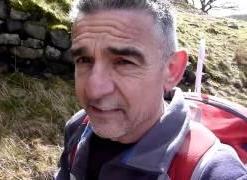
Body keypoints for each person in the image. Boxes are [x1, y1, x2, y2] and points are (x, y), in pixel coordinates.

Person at [55, 0, 247, 179]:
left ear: (172, 70)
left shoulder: (211, 171)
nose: (94, 90)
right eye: (83, 60)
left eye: (123, 62)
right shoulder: (78, 127)